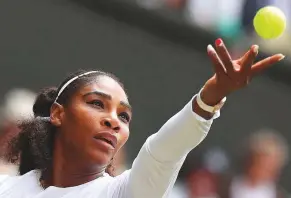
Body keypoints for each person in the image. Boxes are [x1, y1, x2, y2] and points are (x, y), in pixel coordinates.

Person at [0, 39, 284, 198]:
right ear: (58, 113)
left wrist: (208, 99)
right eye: (97, 104)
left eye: (123, 116)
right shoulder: (6, 187)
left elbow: (162, 154)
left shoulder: (121, 195)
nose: (113, 121)